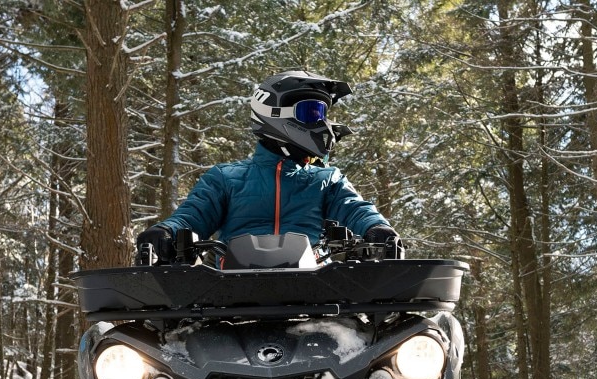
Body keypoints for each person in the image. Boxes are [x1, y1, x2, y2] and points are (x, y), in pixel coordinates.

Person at [136, 70, 401, 264]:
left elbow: (354, 207)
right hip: (228, 294)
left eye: (322, 115)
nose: (322, 123)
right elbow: (192, 216)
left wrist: (377, 228)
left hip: (317, 291)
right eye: (312, 112)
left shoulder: (327, 179)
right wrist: (165, 231)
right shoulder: (225, 178)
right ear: (273, 112)